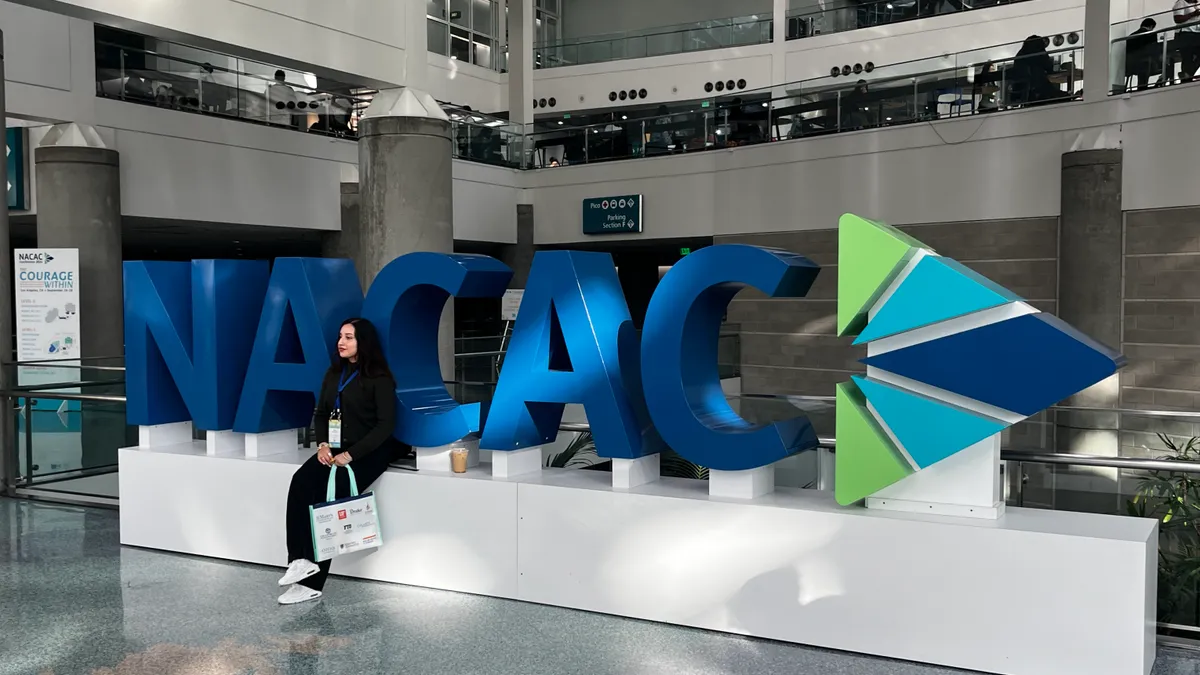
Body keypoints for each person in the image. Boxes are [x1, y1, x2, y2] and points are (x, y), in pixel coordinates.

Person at [277, 318, 405, 605]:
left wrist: (352, 454)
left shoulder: (379, 378)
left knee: (324, 496)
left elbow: (385, 426)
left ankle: (311, 583)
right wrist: (322, 443)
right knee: (300, 483)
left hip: (369, 451)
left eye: (349, 337)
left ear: (363, 343)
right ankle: (300, 561)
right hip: (334, 448)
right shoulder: (333, 374)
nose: (341, 342)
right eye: (340, 336)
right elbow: (321, 414)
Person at [1011, 35, 1058, 105]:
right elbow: (1048, 65)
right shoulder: (1037, 52)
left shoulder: (1021, 54)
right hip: (1037, 87)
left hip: (1022, 89)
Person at [1126, 18, 1164, 89]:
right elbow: (1154, 49)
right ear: (1151, 26)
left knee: (1143, 65)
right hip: (1146, 63)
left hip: (1130, 65)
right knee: (1167, 64)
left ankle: (1141, 87)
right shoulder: (1151, 34)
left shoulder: (1131, 35)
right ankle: (1160, 83)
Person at [1175, 0, 1200, 82]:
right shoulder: (1181, 2)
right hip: (1185, 33)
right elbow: (1177, 19)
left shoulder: (1197, 4)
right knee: (1187, 57)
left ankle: (1188, 74)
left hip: (1197, 33)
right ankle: (1186, 78)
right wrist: (1192, 14)